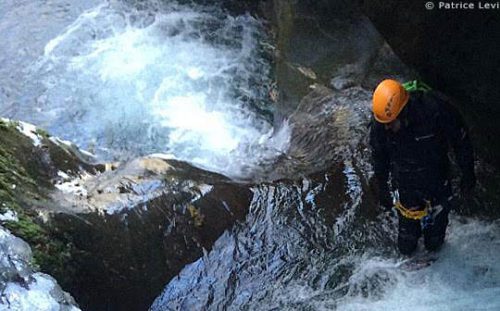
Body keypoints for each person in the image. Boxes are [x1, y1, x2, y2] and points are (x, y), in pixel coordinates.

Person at [369, 79, 476, 255]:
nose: (386, 128)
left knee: (434, 243)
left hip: (437, 180)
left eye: (390, 123)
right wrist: (382, 185)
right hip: (405, 183)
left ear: (403, 112)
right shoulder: (382, 123)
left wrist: (468, 173)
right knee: (406, 244)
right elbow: (379, 155)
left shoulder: (436, 110)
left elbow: (461, 142)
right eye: (384, 124)